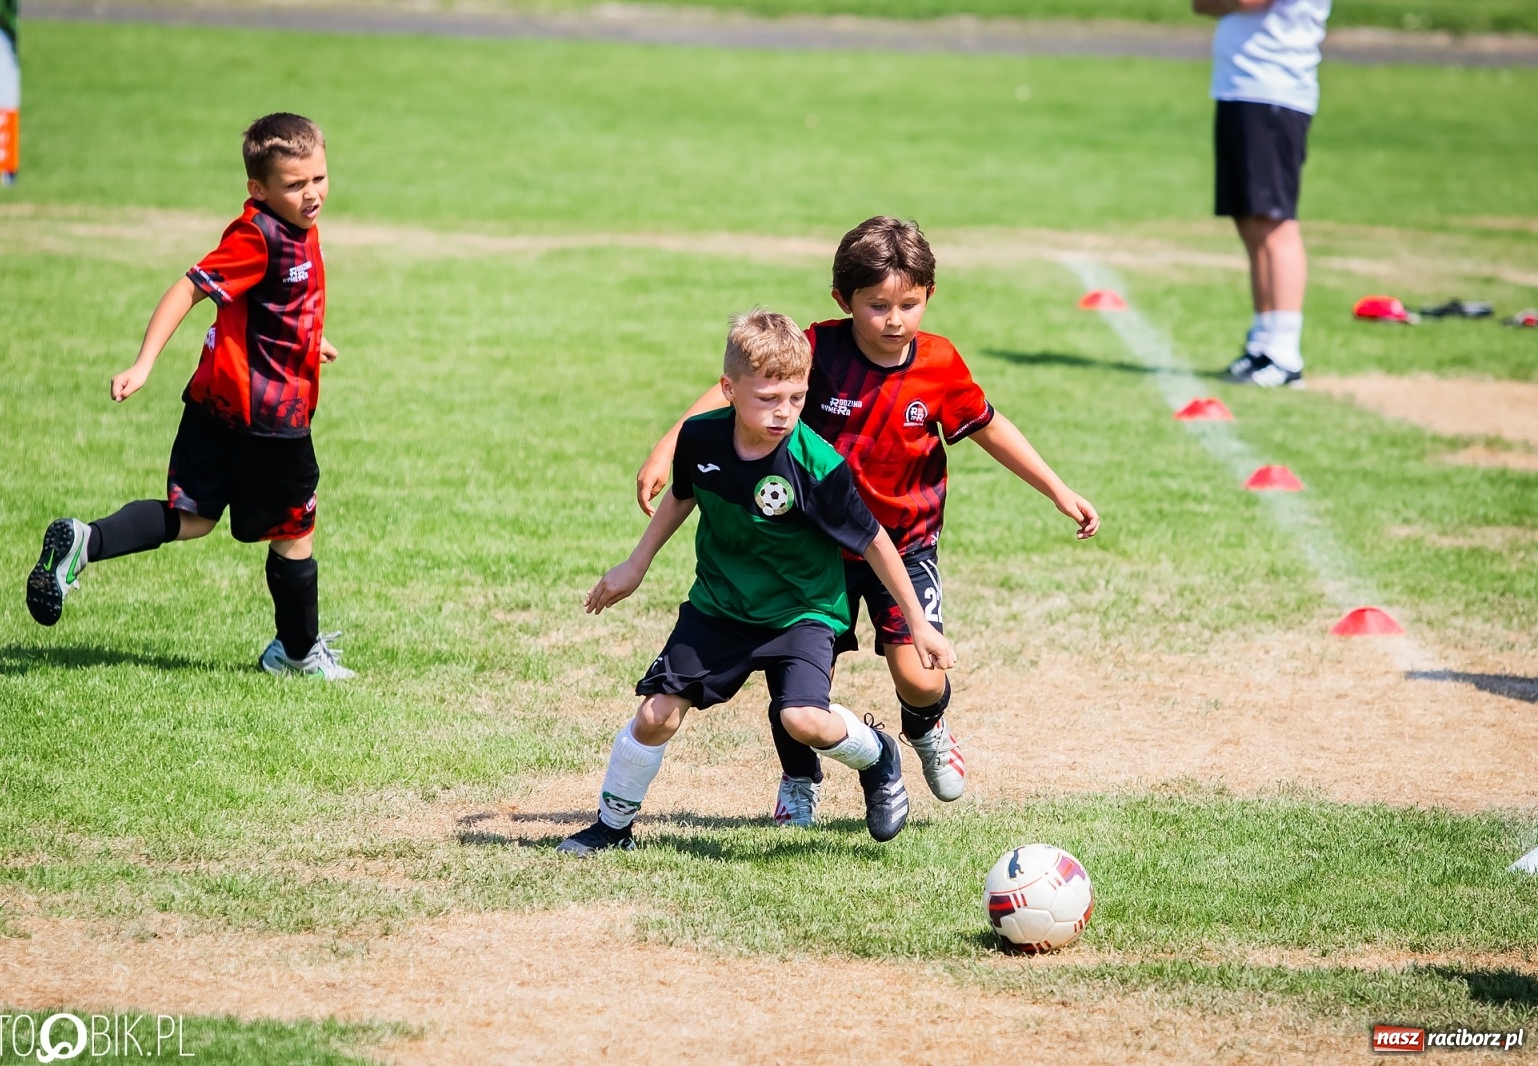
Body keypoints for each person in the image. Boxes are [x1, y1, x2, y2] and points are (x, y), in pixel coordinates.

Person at [636, 218, 1098, 829]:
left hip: (903, 545)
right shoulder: (819, 350)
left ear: (929, 295)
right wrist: (669, 446)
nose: (895, 320)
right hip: (814, 550)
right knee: (795, 679)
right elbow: (736, 391)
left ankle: (926, 728)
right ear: (843, 302)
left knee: (918, 674)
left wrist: (1058, 490)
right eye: (877, 306)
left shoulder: (939, 364)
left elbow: (988, 426)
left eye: (909, 304)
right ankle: (799, 780)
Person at [559, 310, 957, 855]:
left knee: (803, 720)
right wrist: (636, 564)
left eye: (796, 398)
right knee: (655, 715)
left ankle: (879, 754)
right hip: (720, 608)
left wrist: (919, 624)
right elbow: (684, 493)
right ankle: (611, 828)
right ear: (729, 390)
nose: (784, 412)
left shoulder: (816, 465)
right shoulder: (701, 439)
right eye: (769, 398)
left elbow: (874, 541)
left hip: (803, 612)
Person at [25, 113, 353, 680]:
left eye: (319, 178)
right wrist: (144, 362)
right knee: (295, 529)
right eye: (296, 185)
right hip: (267, 418)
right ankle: (296, 653)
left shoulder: (295, 225)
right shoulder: (258, 235)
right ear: (259, 189)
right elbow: (190, 288)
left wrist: (307, 341)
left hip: (220, 405)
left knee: (191, 518)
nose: (312, 194)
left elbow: (271, 304)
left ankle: (86, 541)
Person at [1195, 0, 1331, 388]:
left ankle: (1285, 354)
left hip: (1273, 88)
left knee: (1274, 221)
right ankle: (1264, 343)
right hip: (1242, 87)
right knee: (1251, 218)